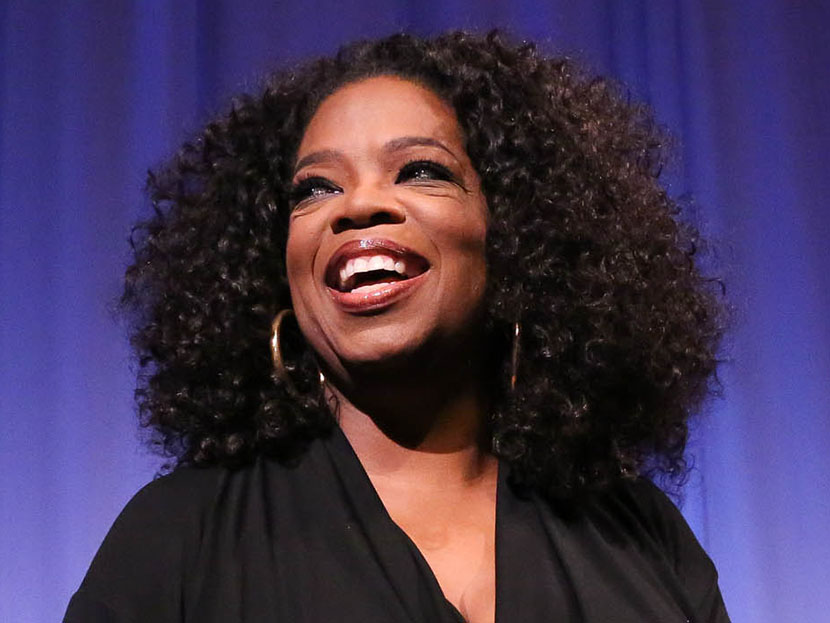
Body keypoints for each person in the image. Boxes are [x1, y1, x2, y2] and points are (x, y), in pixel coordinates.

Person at [64, 31, 729, 623]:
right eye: (314, 188)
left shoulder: (641, 535)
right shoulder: (178, 538)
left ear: (521, 236)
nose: (359, 205)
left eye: (420, 171)